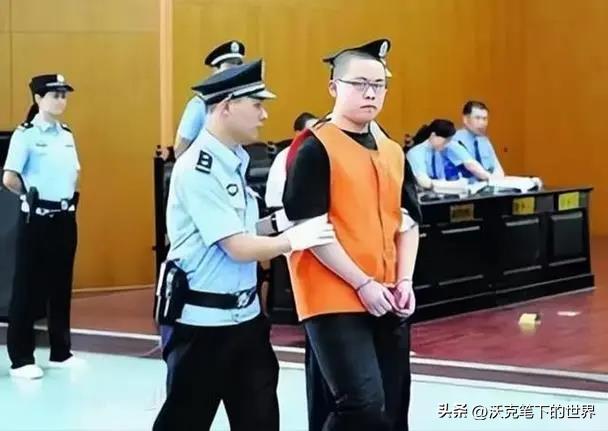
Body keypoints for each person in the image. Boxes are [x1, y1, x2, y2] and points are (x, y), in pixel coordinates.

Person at [152, 59, 337, 431]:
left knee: (260, 419)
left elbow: (241, 228)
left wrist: (279, 224)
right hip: (202, 326)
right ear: (226, 106)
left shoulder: (234, 160)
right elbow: (236, 246)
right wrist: (292, 241)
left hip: (246, 322)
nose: (264, 115)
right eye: (256, 105)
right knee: (185, 420)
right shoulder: (198, 169)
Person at [283, 39, 420, 431]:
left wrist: (405, 280)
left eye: (378, 85)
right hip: (333, 294)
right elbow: (310, 229)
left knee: (392, 408)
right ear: (334, 87)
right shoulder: (315, 148)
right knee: (361, 403)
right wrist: (361, 282)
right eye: (359, 84)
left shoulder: (392, 150)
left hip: (386, 291)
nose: (370, 93)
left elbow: (408, 221)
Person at [2, 74, 82, 379]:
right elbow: (10, 177)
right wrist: (29, 196)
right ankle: (21, 358)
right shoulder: (25, 135)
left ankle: (61, 351)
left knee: (61, 285)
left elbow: (73, 172)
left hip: (64, 217)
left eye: (64, 95)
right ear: (38, 99)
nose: (61, 100)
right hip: (36, 219)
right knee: (27, 287)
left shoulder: (66, 134)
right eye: (54, 95)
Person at [174, 40, 246, 158]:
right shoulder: (200, 104)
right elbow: (180, 149)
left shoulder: (239, 101)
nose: (235, 70)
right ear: (216, 70)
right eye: (230, 65)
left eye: (238, 64)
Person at [264, 112, 317, 208]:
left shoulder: (321, 152)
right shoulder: (284, 157)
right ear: (298, 134)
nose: (317, 135)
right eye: (311, 132)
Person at [445, 100, 505, 181]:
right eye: (477, 118)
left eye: (485, 119)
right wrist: (493, 179)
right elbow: (472, 167)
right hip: (464, 187)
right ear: (465, 119)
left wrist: (499, 181)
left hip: (488, 186)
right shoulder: (454, 141)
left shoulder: (484, 141)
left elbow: (497, 168)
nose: (482, 123)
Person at [406, 119, 465, 190]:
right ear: (433, 135)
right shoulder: (415, 153)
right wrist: (454, 185)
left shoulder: (441, 151)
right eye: (446, 140)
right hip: (422, 194)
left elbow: (445, 177)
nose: (447, 144)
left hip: (441, 192)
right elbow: (424, 182)